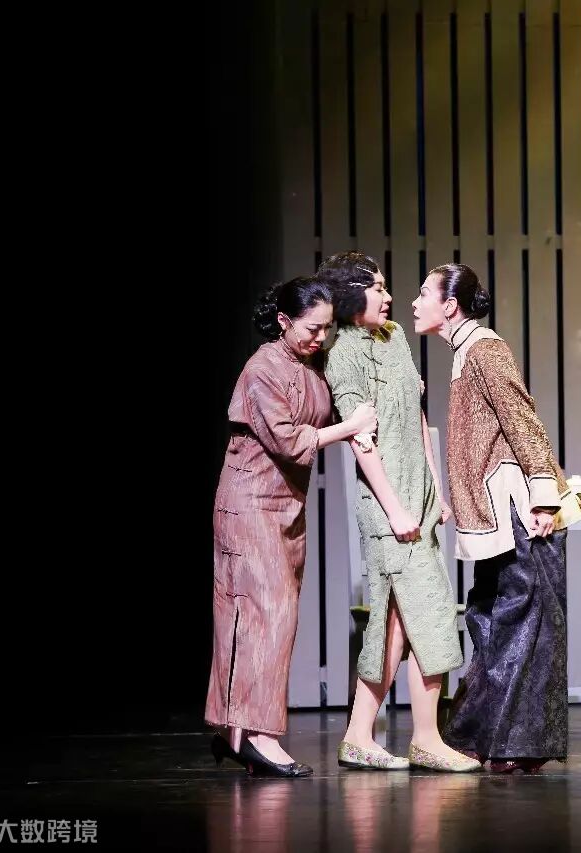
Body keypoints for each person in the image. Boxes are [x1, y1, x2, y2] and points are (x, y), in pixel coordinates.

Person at [410, 263, 581, 773]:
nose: (415, 302)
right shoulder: (466, 351)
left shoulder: (486, 349)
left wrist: (544, 494)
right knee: (492, 620)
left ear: (450, 305)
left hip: (518, 510)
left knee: (523, 623)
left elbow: (522, 418)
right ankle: (484, 737)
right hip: (494, 513)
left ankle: (515, 745)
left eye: (424, 293)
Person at [206, 276, 377, 777]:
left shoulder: (312, 365)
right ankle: (259, 737)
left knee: (266, 618)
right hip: (249, 504)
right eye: (311, 329)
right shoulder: (262, 369)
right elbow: (287, 440)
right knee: (265, 615)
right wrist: (348, 429)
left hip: (287, 504)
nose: (320, 338)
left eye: (327, 329)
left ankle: (235, 732)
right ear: (283, 321)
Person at [318, 252, 478, 773]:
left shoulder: (394, 338)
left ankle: (360, 735)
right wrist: (396, 510)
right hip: (388, 507)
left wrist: (435, 489)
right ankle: (424, 738)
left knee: (395, 625)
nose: (389, 298)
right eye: (378, 288)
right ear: (350, 295)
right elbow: (362, 443)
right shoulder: (343, 353)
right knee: (428, 614)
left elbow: (416, 417)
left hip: (417, 500)